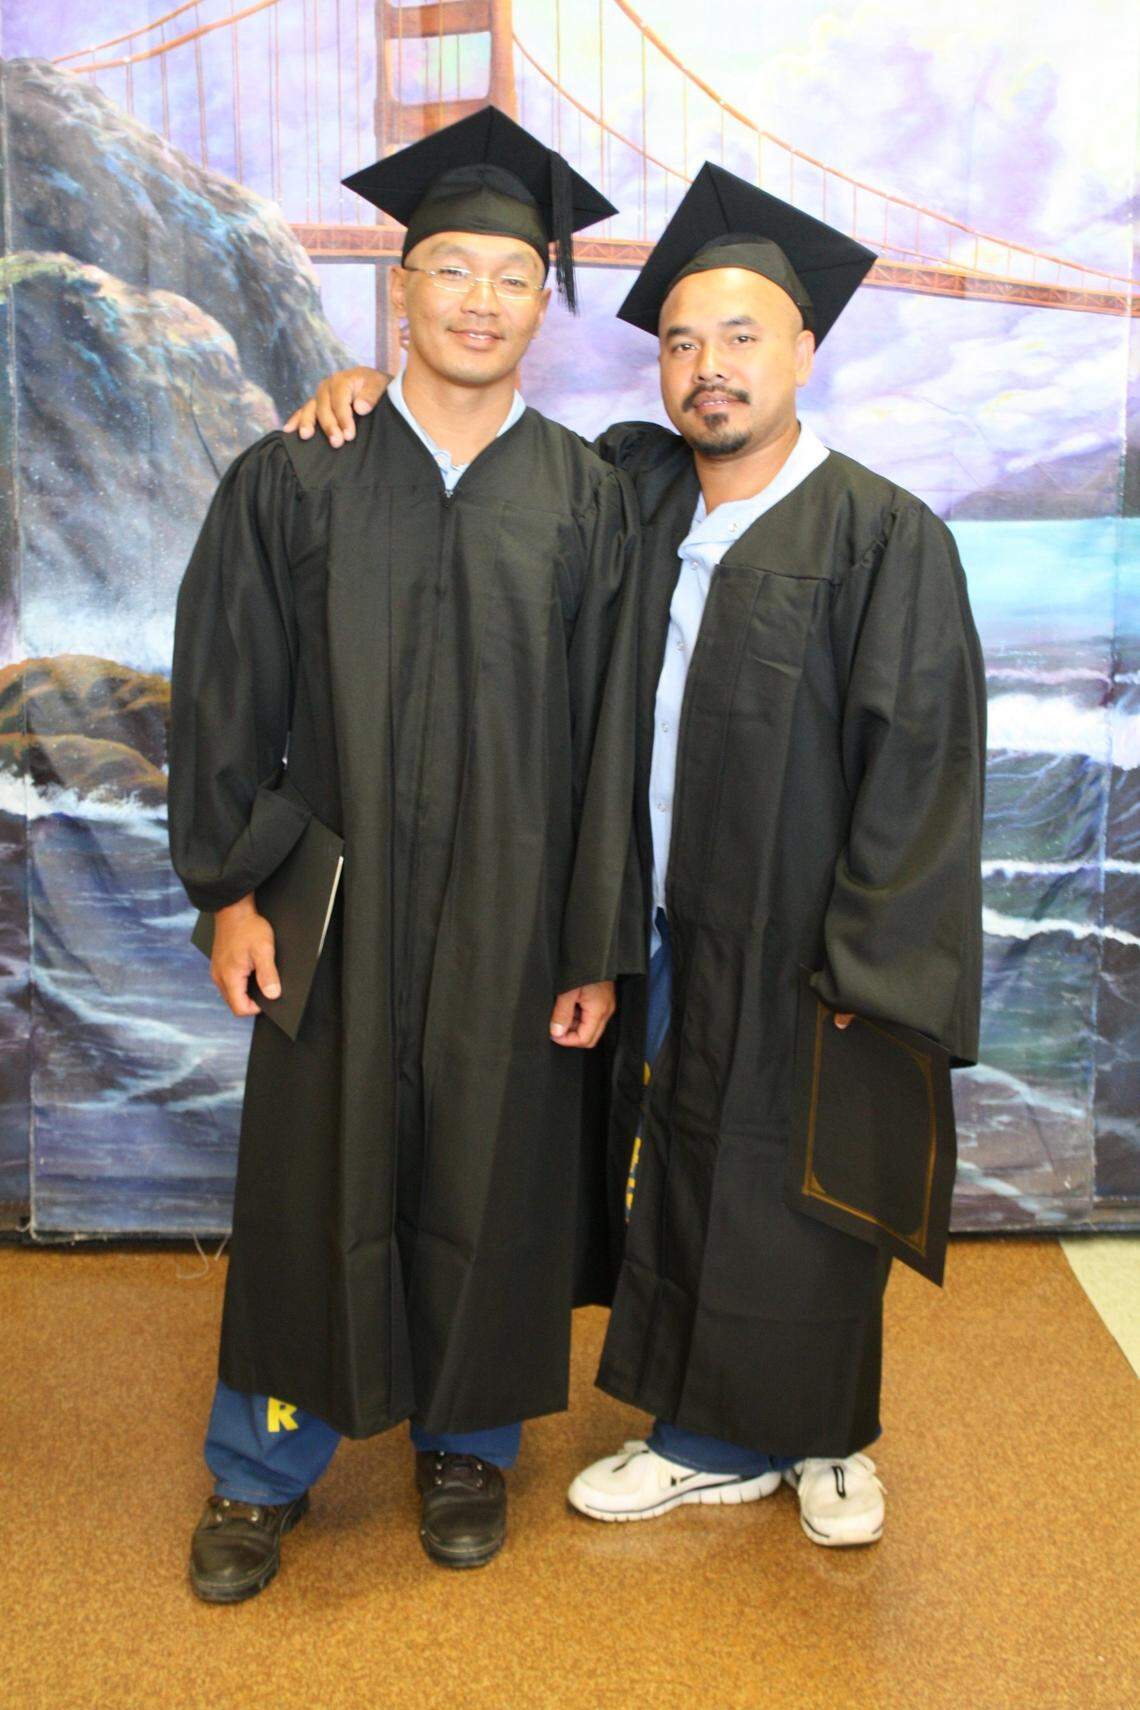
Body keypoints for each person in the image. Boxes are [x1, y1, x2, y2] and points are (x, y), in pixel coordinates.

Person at [285, 161, 987, 1550]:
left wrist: (877, 959)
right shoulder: (635, 490)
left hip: (802, 932)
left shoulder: (882, 534)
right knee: (687, 1165)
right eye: (679, 341)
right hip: (653, 918)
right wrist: (361, 392)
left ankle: (809, 1437)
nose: (708, 367)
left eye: (741, 337)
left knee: (800, 1182)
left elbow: (924, 767)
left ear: (804, 350)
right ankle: (716, 1431)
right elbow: (472, 455)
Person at [168, 107, 641, 1602]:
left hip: (514, 905)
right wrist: (230, 892)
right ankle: (262, 1466)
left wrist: (594, 940)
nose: (480, 301)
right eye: (451, 270)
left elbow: (612, 736)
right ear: (401, 287)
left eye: (513, 276)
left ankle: (466, 1445)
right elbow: (226, 689)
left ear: (544, 301)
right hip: (335, 898)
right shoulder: (299, 472)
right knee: (310, 1178)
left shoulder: (585, 497)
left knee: (493, 1168)